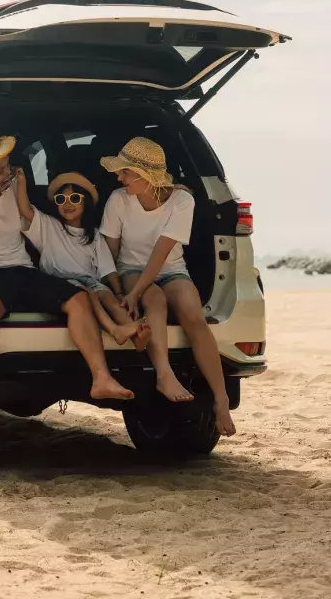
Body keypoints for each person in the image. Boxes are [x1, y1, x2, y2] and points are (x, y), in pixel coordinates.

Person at [0, 129, 134, 433]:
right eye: (1, 169)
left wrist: (18, 185)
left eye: (8, 165)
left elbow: (27, 216)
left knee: (78, 298)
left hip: (23, 269)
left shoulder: (12, 188)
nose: (9, 172)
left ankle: (101, 378)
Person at [99, 136, 236, 436]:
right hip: (131, 269)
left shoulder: (182, 201)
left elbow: (162, 254)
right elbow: (109, 250)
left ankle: (221, 398)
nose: (119, 177)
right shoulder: (118, 200)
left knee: (193, 315)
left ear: (146, 177)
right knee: (156, 300)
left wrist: (134, 294)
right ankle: (164, 374)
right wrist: (116, 290)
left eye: (125, 172)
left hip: (171, 268)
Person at [13, 167, 150, 349]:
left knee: (109, 299)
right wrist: (21, 183)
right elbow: (25, 209)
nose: (68, 204)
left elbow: (108, 269)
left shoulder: (94, 235)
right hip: (63, 283)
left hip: (91, 281)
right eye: (61, 199)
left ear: (86, 203)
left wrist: (119, 294)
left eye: (75, 198)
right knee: (89, 295)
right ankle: (115, 330)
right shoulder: (48, 226)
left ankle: (137, 335)